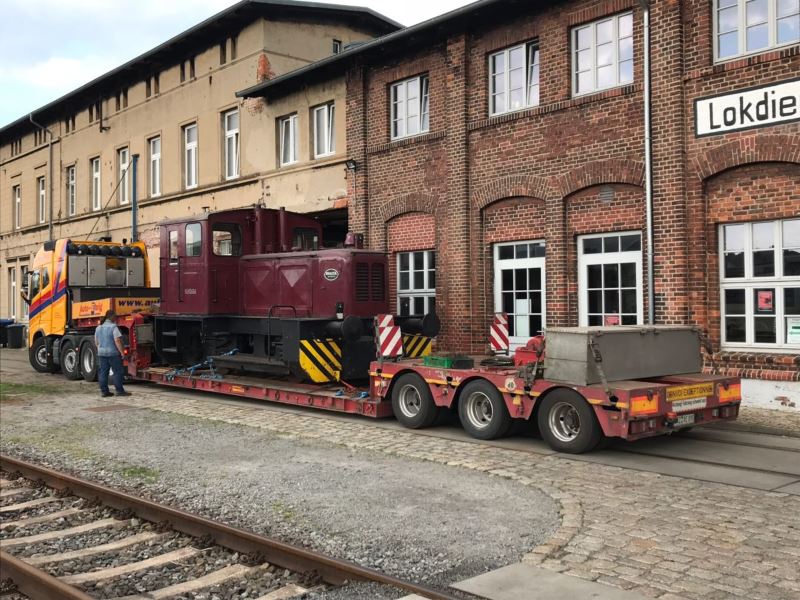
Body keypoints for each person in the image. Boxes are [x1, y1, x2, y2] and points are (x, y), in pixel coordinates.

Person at [94, 310, 131, 397]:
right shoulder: (113, 327)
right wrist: (122, 353)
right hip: (113, 353)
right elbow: (117, 341)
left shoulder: (98, 328)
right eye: (115, 316)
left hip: (102, 353)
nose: (116, 318)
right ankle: (119, 391)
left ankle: (104, 392)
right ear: (111, 317)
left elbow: (96, 341)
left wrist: (100, 349)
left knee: (103, 372)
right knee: (117, 372)